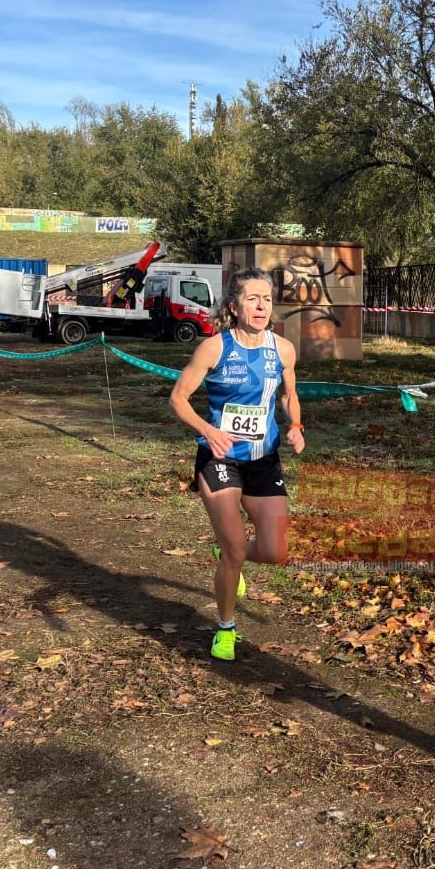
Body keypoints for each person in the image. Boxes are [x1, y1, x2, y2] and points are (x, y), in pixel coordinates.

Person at [169, 268, 305, 661]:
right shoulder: (214, 348)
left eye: (266, 298)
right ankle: (226, 628)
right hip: (219, 458)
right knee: (233, 549)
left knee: (276, 551)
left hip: (263, 459)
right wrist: (207, 431)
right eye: (251, 298)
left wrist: (296, 424)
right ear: (234, 306)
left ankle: (230, 553)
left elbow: (288, 396)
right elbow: (178, 399)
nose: (261, 306)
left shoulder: (283, 349)